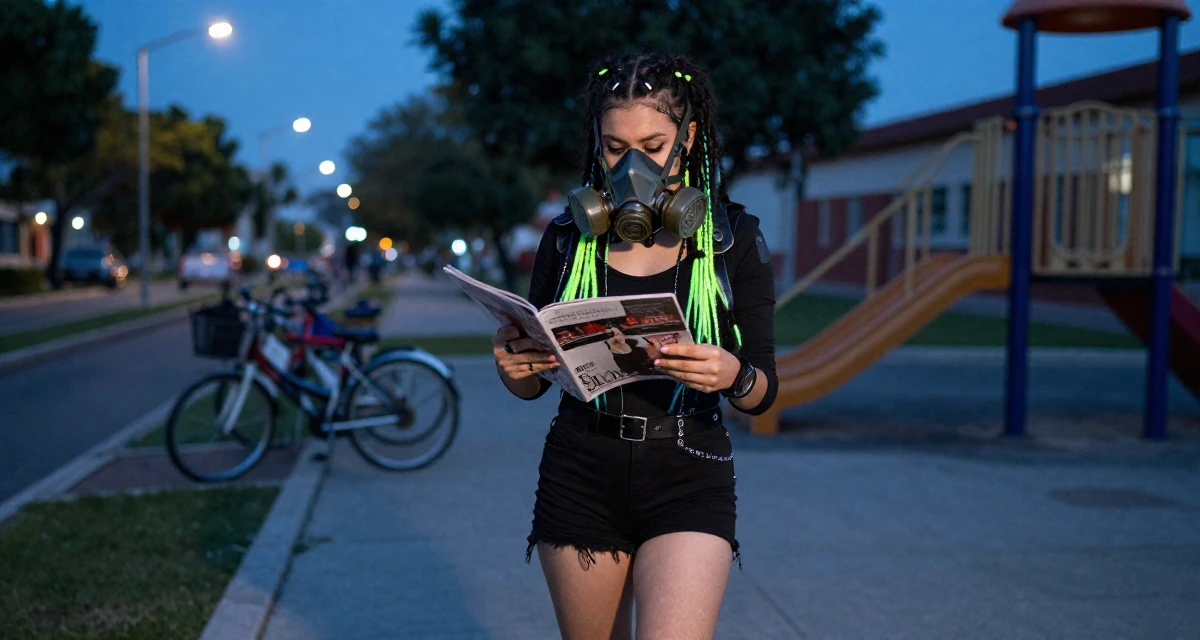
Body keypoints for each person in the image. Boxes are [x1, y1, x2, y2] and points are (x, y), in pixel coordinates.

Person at [492, 52, 777, 639]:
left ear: (689, 137)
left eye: (653, 144)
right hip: (580, 472)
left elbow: (763, 392)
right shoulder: (570, 239)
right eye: (616, 148)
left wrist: (732, 375)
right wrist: (514, 364)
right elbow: (532, 383)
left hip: (689, 472)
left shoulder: (732, 241)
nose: (633, 165)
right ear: (597, 145)